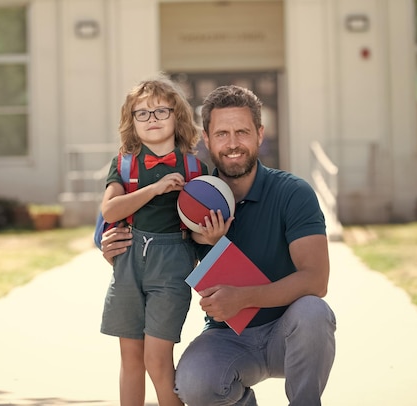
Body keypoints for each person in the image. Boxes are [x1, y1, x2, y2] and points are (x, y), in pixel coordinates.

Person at [100, 85, 336, 406]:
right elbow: (145, 230)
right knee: (193, 382)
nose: (233, 143)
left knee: (313, 312)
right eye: (222, 133)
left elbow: (316, 281)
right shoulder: (190, 196)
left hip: (287, 334)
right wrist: (114, 245)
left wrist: (244, 297)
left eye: (242, 132)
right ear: (207, 139)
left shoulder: (293, 193)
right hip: (230, 337)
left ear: (260, 134)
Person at [99, 76, 209, 406]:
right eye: (142, 113)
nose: (152, 119)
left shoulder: (194, 167)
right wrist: (155, 189)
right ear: (131, 122)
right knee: (131, 359)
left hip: (172, 264)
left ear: (178, 117)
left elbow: (204, 225)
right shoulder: (124, 163)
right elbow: (110, 208)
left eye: (161, 111)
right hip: (130, 261)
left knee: (157, 361)